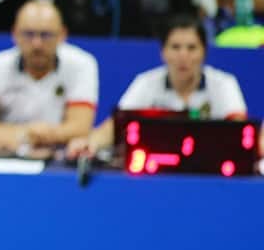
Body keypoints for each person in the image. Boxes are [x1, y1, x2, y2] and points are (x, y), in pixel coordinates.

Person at [67, 14, 247, 158]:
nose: (183, 56)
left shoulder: (224, 84)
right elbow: (114, 127)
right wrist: (90, 142)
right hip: (156, 168)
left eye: (192, 48)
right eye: (175, 47)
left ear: (204, 52)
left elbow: (240, 130)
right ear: (163, 52)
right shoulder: (146, 83)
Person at [0, 0, 98, 153]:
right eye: (28, 34)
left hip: (60, 160)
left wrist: (37, 135)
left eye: (46, 35)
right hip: (8, 157)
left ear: (62, 35)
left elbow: (81, 128)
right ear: (14, 34)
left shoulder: (82, 64)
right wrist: (23, 134)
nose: (37, 44)